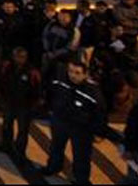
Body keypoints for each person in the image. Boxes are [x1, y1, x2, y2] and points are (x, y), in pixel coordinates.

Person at [41, 57, 106, 185]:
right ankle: (53, 167)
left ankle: (81, 179)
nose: (72, 75)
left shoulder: (92, 92)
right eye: (70, 71)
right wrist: (50, 109)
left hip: (81, 128)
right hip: (60, 121)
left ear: (85, 74)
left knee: (81, 155)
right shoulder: (61, 81)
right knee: (56, 147)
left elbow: (100, 113)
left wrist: (98, 131)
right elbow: (50, 92)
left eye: (77, 73)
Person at [0, 47, 41, 165]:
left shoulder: (31, 72)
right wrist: (2, 97)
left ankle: (20, 151)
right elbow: (2, 81)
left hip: (24, 106)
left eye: (21, 57)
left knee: (22, 130)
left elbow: (37, 90)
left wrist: (33, 105)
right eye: (17, 56)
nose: (19, 59)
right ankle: (6, 144)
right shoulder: (8, 67)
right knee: (7, 124)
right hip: (10, 102)